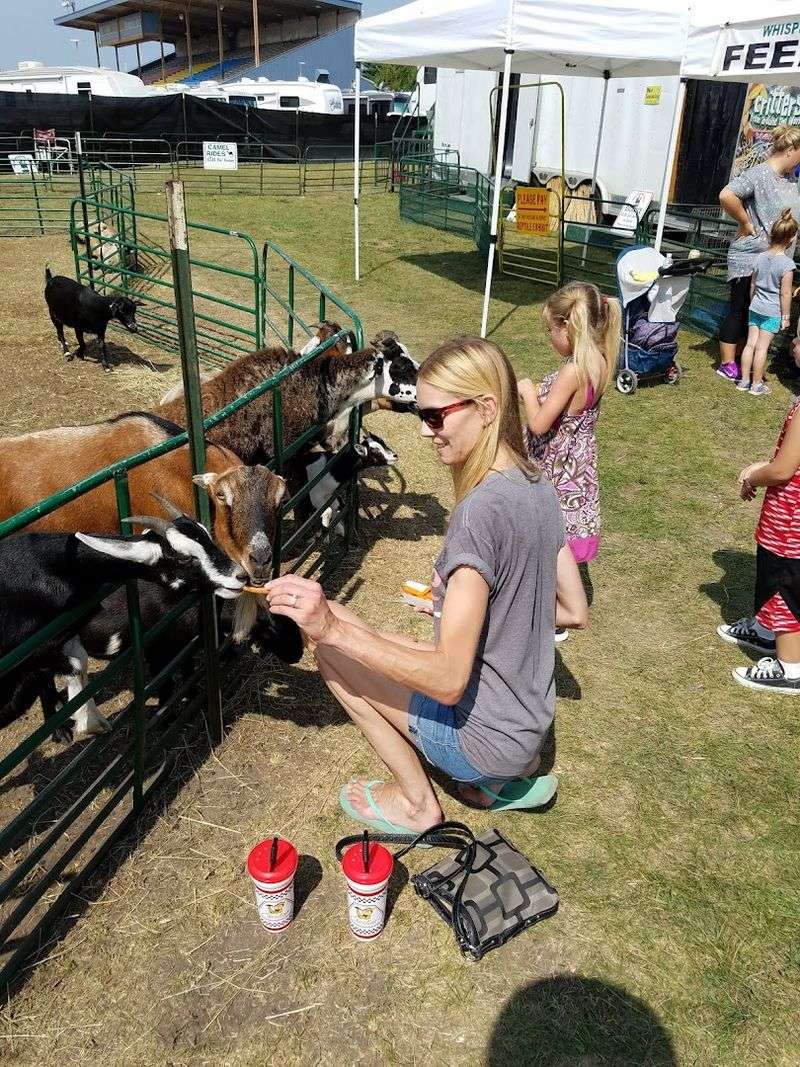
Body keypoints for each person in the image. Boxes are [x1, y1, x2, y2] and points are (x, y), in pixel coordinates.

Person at [262, 337, 589, 834]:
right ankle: (501, 779)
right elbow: (573, 608)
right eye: (422, 414)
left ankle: (418, 804)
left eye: (435, 417)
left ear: (485, 409)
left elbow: (449, 679)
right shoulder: (538, 486)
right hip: (526, 733)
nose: (424, 431)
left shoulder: (479, 514)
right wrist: (471, 607)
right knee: (356, 629)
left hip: (485, 743)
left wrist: (328, 628)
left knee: (332, 649)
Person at [517, 282, 619, 639]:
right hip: (579, 466)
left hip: (557, 469)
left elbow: (540, 422)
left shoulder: (572, 371)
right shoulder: (601, 361)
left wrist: (528, 392)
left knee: (549, 532)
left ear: (568, 326)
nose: (549, 338)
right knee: (563, 530)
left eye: (551, 330)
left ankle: (554, 614)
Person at [717, 344, 800, 692]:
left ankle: (790, 668)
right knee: (781, 583)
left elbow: (782, 470)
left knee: (784, 587)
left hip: (791, 523)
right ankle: (767, 633)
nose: (794, 344)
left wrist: (754, 476)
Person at [717, 124, 800, 383]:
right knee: (740, 309)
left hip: (778, 260)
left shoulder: (791, 179)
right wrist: (745, 222)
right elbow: (727, 194)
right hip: (751, 257)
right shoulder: (759, 174)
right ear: (790, 151)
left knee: (759, 313)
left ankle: (746, 358)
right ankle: (727, 363)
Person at [736, 209, 798, 396]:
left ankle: (744, 381)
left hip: (755, 306)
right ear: (792, 237)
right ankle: (756, 385)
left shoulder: (759, 258)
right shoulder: (787, 265)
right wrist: (786, 317)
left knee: (750, 344)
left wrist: (752, 301)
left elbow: (753, 284)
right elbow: (785, 293)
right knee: (762, 348)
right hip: (772, 311)